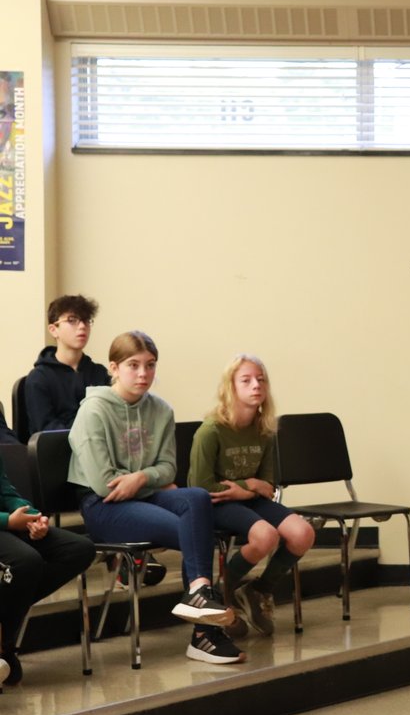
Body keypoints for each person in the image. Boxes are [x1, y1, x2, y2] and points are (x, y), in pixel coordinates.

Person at [68, 330, 244, 664]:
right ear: (114, 368)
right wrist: (150, 479)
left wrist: (140, 477)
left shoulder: (161, 410)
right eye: (133, 365)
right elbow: (105, 484)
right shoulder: (92, 412)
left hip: (141, 495)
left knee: (196, 499)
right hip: (102, 507)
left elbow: (167, 467)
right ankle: (205, 633)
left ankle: (198, 593)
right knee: (192, 530)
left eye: (150, 365)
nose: (143, 374)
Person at [188, 354, 315, 638]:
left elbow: (268, 486)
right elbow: (201, 487)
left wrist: (245, 487)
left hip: (247, 498)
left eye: (261, 380)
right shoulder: (211, 431)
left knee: (303, 533)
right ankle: (221, 595)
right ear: (230, 387)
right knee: (266, 536)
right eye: (246, 380)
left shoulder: (264, 430)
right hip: (216, 504)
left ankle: (257, 590)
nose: (256, 386)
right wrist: (250, 485)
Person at [0, 454, 96, 685]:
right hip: (4, 523)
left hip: (7, 523)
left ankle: (2, 634)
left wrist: (33, 517)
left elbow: (6, 491)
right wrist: (8, 521)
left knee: (78, 549)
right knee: (25, 561)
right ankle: (5, 647)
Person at [26, 294, 111, 434]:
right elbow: (46, 429)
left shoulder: (99, 373)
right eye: (72, 320)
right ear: (54, 330)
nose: (82, 326)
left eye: (86, 320)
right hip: (58, 451)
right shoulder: (39, 378)